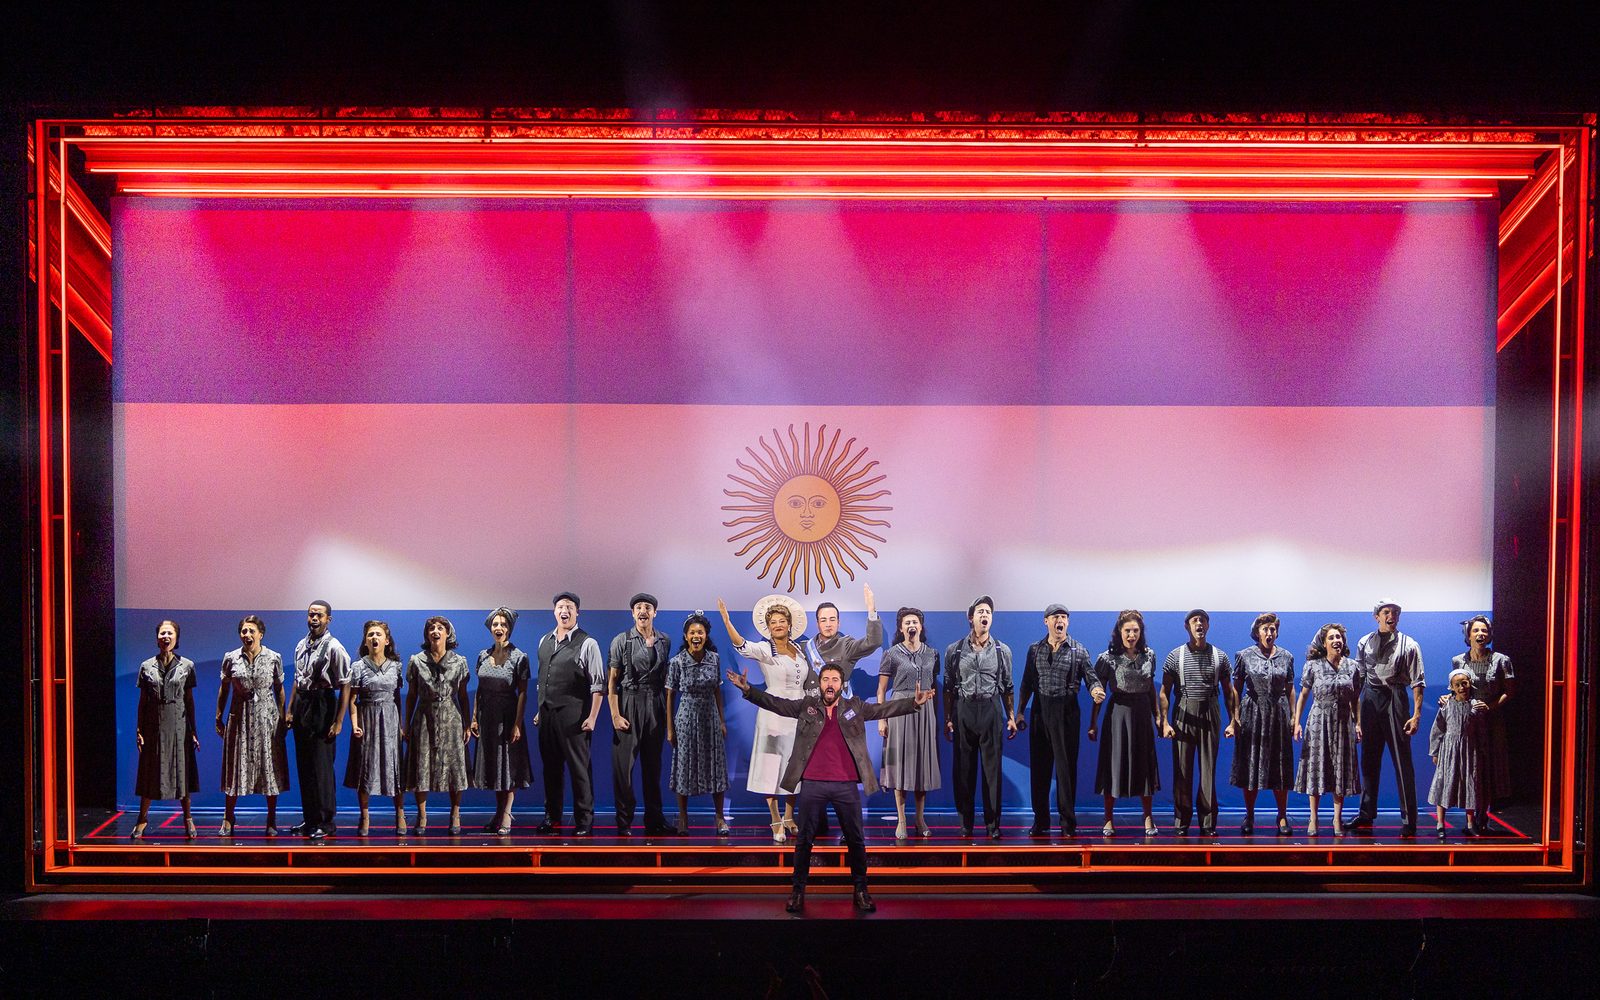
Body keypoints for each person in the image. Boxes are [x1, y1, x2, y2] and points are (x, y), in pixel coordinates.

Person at [726, 660, 935, 913]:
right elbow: (777, 705)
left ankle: (861, 891)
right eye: (826, 680)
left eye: (835, 680)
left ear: (841, 685)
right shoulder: (807, 706)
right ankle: (797, 892)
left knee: (856, 841)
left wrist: (913, 703)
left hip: (846, 786)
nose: (830, 684)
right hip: (813, 784)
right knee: (804, 841)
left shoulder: (854, 706)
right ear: (819, 684)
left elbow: (883, 709)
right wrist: (748, 690)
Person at [719, 595, 815, 843]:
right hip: (772, 711)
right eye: (773, 622)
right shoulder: (764, 649)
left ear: (789, 624)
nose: (778, 625)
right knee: (771, 766)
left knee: (795, 765)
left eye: (782, 621)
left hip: (799, 712)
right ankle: (774, 818)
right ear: (768, 627)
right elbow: (741, 645)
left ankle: (789, 815)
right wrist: (727, 622)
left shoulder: (801, 650)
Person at [1016, 603, 1103, 838]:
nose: (1060, 621)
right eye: (1055, 617)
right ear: (1046, 621)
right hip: (1040, 711)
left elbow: (1092, 678)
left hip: (1067, 712)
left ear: (1068, 622)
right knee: (1040, 771)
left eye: (1063, 617)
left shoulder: (1078, 650)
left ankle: (1068, 824)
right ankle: (1041, 821)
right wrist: (1021, 711)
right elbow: (1026, 683)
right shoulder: (1034, 650)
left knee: (1065, 771)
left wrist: (1096, 691)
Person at [943, 595, 1017, 841]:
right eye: (980, 612)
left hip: (991, 709)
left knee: (991, 772)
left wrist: (1010, 716)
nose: (984, 616)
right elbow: (949, 687)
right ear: (970, 617)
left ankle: (992, 825)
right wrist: (948, 718)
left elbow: (1007, 686)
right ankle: (965, 824)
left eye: (988, 612)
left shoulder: (1002, 650)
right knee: (963, 771)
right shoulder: (954, 651)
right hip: (964, 709)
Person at [1350, 600, 1425, 837]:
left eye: (1395, 612)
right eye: (1386, 612)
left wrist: (1416, 715)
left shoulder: (1409, 644)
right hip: (1370, 699)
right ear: (1377, 616)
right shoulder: (1364, 642)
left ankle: (1408, 819)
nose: (1391, 616)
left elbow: (1418, 681)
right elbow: (1358, 680)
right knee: (1369, 760)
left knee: (1402, 762)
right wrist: (1357, 718)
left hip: (1395, 698)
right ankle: (1366, 813)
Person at [1160, 609, 1237, 836]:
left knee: (1208, 770)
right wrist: (1164, 722)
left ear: (1208, 625)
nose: (1199, 624)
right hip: (1184, 711)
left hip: (1210, 710)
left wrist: (1233, 721)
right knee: (1182, 770)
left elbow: (1229, 691)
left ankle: (1207, 823)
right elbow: (1164, 692)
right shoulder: (1175, 656)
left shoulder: (1219, 656)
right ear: (1187, 626)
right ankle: (1182, 822)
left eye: (1203, 620)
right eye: (1195, 620)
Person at [534, 592, 605, 836]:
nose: (564, 611)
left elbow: (598, 685)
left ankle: (584, 821)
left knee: (579, 770)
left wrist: (593, 717)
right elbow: (542, 680)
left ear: (577, 613)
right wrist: (538, 710)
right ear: (554, 612)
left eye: (569, 607)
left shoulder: (588, 643)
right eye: (560, 607)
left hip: (575, 717)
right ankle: (552, 819)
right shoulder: (544, 640)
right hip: (547, 716)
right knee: (551, 770)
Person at [214, 615, 288, 837]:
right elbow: (224, 688)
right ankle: (228, 818)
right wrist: (218, 716)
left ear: (261, 634)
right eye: (243, 631)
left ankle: (271, 819)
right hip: (239, 719)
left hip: (267, 719)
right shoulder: (231, 658)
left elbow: (279, 689)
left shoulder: (274, 657)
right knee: (235, 768)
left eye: (251, 631)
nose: (247, 635)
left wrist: (283, 718)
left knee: (269, 768)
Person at [1089, 610, 1160, 837]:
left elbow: (1151, 689)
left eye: (1135, 631)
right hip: (1117, 715)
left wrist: (1158, 717)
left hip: (1142, 715)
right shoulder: (1106, 658)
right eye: (1127, 630)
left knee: (1145, 765)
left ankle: (1148, 816)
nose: (1131, 635)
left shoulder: (1149, 655)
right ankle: (1108, 818)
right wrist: (1093, 723)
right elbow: (1097, 693)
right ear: (1119, 632)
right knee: (1114, 765)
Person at [608, 592, 674, 836]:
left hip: (655, 703)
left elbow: (667, 677)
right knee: (623, 769)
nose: (643, 611)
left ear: (655, 612)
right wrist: (615, 714)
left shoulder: (664, 640)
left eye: (648, 607)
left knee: (653, 767)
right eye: (638, 607)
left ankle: (654, 819)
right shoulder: (622, 640)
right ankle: (624, 821)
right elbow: (612, 682)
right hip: (629, 703)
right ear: (633, 613)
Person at [284, 600, 350, 839]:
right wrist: (289, 710)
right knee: (305, 765)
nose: (314, 619)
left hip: (323, 703)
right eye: (311, 614)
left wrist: (339, 720)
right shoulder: (301, 645)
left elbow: (345, 685)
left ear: (328, 619)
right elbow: (296, 679)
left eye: (319, 615)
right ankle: (310, 818)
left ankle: (326, 821)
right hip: (303, 703)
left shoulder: (335, 647)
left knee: (321, 766)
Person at [876, 607, 941, 840]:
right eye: (907, 622)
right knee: (900, 765)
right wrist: (882, 718)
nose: (911, 625)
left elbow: (933, 682)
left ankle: (920, 818)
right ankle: (901, 819)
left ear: (920, 627)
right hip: (899, 709)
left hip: (924, 711)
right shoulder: (891, 654)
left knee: (922, 764)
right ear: (901, 628)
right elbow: (882, 689)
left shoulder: (932, 653)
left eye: (915, 622)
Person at [1444, 616, 1513, 831]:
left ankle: (1484, 816)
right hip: (1468, 722)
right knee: (1472, 767)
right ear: (1469, 635)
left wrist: (1490, 707)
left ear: (1489, 634)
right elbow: (1455, 689)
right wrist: (1447, 699)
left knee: (1490, 767)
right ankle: (1471, 819)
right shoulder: (1458, 661)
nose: (1480, 634)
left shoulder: (1502, 660)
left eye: (1484, 630)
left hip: (1492, 721)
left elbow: (1510, 692)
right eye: (1476, 631)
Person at [131, 619, 199, 840]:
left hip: (179, 725)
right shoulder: (146, 666)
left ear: (176, 638)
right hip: (154, 725)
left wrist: (193, 730)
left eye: (170, 633)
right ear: (157, 637)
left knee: (182, 772)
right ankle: (142, 818)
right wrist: (139, 730)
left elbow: (189, 701)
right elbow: (142, 702)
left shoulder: (187, 665)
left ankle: (188, 818)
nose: (165, 637)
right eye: (162, 634)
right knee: (150, 772)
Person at [1230, 612, 1296, 836]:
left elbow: (1290, 689)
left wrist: (1294, 717)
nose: (1270, 633)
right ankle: (1249, 815)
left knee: (1279, 766)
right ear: (1257, 632)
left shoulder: (1287, 656)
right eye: (1266, 629)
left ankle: (1282, 815)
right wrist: (1234, 717)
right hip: (1252, 714)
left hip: (1278, 715)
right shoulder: (1244, 655)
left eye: (1273, 629)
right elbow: (1235, 689)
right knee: (1251, 766)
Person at [1293, 623, 1363, 835]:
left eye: (1339, 637)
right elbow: (1303, 695)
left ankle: (1336, 819)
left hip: (1342, 723)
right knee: (1317, 769)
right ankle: (1313, 818)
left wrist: (1358, 723)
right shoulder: (1313, 665)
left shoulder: (1352, 666)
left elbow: (1356, 698)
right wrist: (1296, 722)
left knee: (1339, 770)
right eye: (1332, 637)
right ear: (1324, 643)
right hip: (1318, 722)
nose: (1336, 641)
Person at [404, 616, 471, 835]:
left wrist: (467, 724)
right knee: (421, 765)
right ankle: (422, 816)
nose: (435, 631)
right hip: (423, 719)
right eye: (431, 628)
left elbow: (462, 695)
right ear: (426, 634)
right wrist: (406, 722)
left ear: (448, 633)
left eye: (440, 628)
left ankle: (455, 814)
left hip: (451, 718)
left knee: (454, 767)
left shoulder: (459, 662)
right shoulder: (416, 660)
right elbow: (411, 695)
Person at [666, 611, 730, 836]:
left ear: (706, 635)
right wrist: (670, 728)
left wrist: (722, 721)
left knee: (716, 767)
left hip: (710, 718)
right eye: (692, 632)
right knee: (684, 766)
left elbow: (717, 690)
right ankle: (683, 817)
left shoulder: (715, 658)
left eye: (700, 632)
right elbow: (670, 695)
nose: (696, 635)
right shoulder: (677, 662)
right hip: (686, 718)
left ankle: (720, 817)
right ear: (685, 636)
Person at [340, 620, 406, 836]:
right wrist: (355, 724)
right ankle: (365, 816)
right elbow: (352, 699)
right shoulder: (358, 666)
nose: (374, 638)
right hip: (367, 717)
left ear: (387, 641)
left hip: (390, 719)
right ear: (366, 641)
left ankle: (400, 814)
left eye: (378, 634)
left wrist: (401, 725)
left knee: (394, 767)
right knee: (365, 768)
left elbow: (397, 698)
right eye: (370, 635)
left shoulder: (396, 666)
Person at [470, 606, 533, 836]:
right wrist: (474, 718)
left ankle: (507, 813)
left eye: (503, 624)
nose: (499, 628)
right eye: (496, 624)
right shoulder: (482, 656)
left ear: (510, 628)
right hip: (487, 718)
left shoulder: (520, 657)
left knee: (508, 767)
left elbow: (523, 693)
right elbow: (479, 690)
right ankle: (498, 813)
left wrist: (517, 723)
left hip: (507, 717)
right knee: (494, 768)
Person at [1429, 667, 1489, 838]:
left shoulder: (1475, 706)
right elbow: (1438, 728)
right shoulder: (1447, 705)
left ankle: (1470, 824)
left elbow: (1481, 730)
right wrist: (1435, 752)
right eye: (1457, 685)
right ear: (1452, 687)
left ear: (1470, 683)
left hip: (1470, 750)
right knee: (1444, 784)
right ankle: (1440, 824)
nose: (1462, 687)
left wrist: (1482, 750)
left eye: (1465, 683)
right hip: (1449, 750)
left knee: (1469, 784)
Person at [807, 584, 884, 698]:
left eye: (832, 619)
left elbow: (873, 641)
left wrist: (871, 610)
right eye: (823, 620)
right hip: (811, 707)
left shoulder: (846, 645)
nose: (828, 624)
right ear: (817, 623)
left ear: (838, 622)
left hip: (838, 706)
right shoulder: (805, 647)